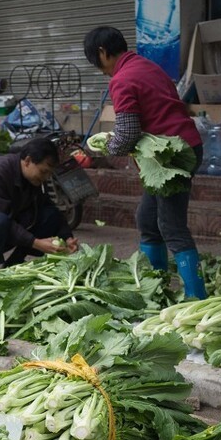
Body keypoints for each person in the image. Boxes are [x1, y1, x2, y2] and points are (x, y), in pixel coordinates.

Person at [83, 25, 206, 298]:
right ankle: (156, 286)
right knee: (148, 220)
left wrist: (109, 147)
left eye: (97, 62)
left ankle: (197, 298)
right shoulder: (146, 66)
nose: (101, 70)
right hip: (182, 148)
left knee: (171, 226)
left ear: (103, 52)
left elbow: (127, 135)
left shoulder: (122, 79)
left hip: (172, 158)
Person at [0, 138, 80, 272]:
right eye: (44, 172)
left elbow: (49, 206)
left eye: (50, 173)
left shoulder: (34, 178)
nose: (46, 177)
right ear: (27, 161)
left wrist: (67, 237)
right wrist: (37, 243)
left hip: (5, 230)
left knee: (51, 215)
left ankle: (14, 263)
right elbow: (2, 217)